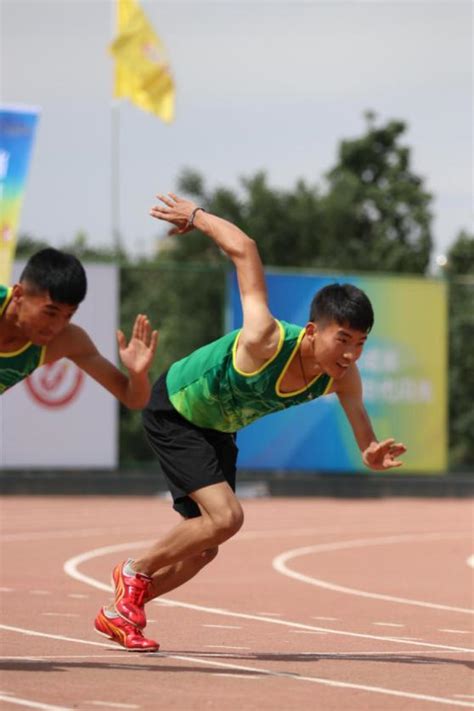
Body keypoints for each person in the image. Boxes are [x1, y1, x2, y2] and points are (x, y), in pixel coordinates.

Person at [97, 192, 407, 652]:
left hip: (218, 429)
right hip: (176, 409)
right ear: (312, 331)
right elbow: (245, 248)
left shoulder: (343, 378)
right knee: (227, 517)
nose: (350, 353)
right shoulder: (265, 338)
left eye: (360, 343)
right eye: (343, 339)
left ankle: (120, 611)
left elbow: (364, 432)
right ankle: (134, 571)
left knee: (204, 547)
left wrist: (372, 453)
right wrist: (197, 216)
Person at [0, 248, 161, 651]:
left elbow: (132, 397)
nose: (57, 326)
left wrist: (137, 373)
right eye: (50, 312)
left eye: (68, 315)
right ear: (18, 294)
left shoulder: (68, 341)